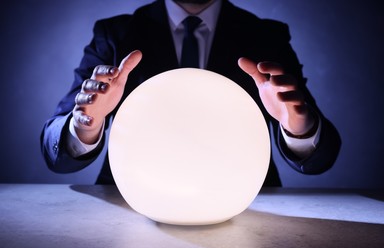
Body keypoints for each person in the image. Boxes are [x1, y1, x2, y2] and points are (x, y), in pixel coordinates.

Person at [41, 0, 341, 186]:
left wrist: (298, 129)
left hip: (245, 202)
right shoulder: (115, 34)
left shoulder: (266, 36)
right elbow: (58, 155)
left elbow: (320, 157)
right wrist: (84, 125)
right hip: (133, 200)